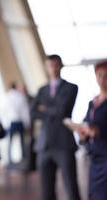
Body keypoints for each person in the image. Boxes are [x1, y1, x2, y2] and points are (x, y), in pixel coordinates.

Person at [31, 54, 80, 200]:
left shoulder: (71, 87)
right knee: (47, 192)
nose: (52, 68)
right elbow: (32, 112)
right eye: (49, 65)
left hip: (64, 144)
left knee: (71, 188)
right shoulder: (42, 90)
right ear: (46, 68)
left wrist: (44, 108)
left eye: (55, 65)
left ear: (61, 66)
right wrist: (52, 110)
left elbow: (62, 111)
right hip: (44, 145)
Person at [77, 60, 107, 200]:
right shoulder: (93, 103)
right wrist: (83, 134)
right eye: (99, 75)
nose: (102, 80)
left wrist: (100, 132)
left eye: (106, 76)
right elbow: (87, 123)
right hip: (95, 157)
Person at [4, 81, 31, 164]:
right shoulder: (20, 96)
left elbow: (4, 111)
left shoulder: (6, 96)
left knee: (10, 141)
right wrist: (27, 124)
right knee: (21, 140)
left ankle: (9, 159)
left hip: (10, 122)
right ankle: (23, 158)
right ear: (16, 87)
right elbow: (25, 111)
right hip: (19, 121)